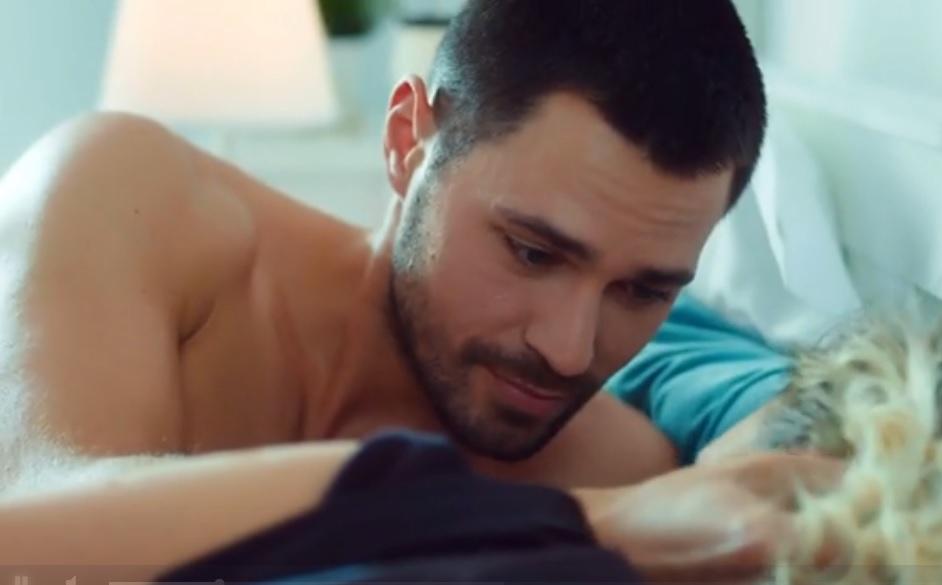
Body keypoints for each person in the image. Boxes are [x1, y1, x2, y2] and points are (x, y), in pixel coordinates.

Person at [0, 0, 841, 581]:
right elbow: (29, 538)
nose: (568, 348)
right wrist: (580, 523)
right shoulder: (135, 200)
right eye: (531, 252)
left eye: (641, 291)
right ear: (408, 141)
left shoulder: (630, 470)